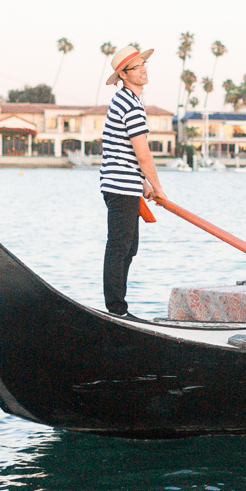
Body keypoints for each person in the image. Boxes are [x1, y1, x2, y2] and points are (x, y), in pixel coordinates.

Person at [99, 47, 166, 319]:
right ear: (123, 76)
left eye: (143, 64)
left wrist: (144, 185)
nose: (143, 70)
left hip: (125, 184)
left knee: (129, 248)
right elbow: (142, 154)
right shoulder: (129, 104)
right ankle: (117, 310)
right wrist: (157, 187)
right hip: (119, 186)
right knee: (119, 247)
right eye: (136, 67)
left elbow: (124, 150)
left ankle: (119, 307)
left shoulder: (128, 102)